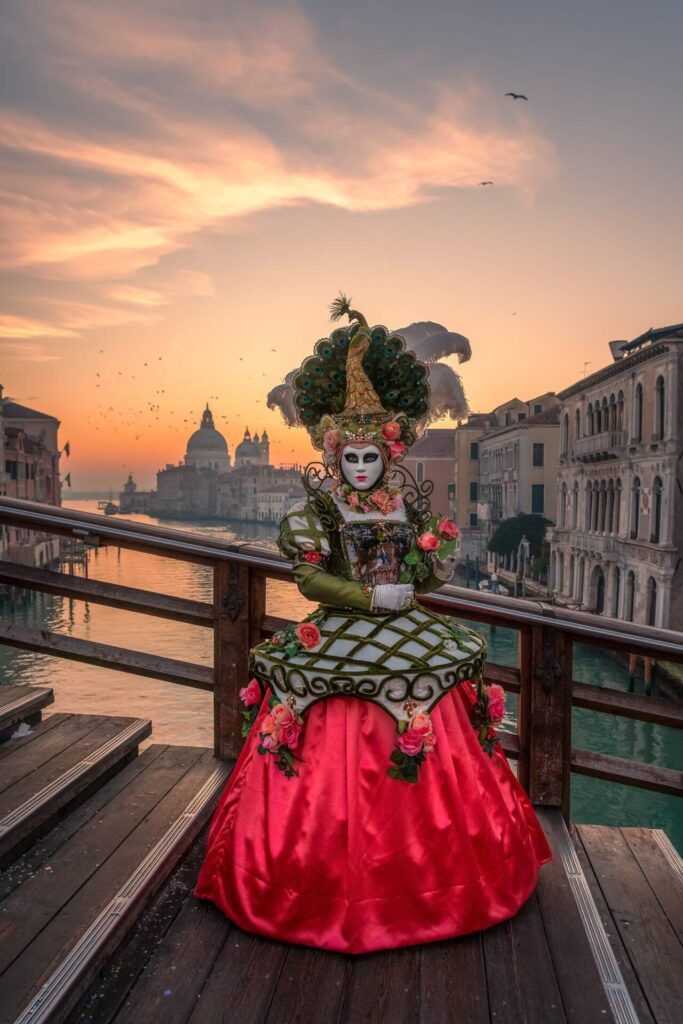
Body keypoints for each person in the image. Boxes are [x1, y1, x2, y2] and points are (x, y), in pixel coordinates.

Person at [194, 297, 553, 953]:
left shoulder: (400, 508)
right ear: (337, 458)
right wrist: (367, 599)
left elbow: (424, 570)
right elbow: (308, 579)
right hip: (343, 629)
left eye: (370, 459)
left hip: (406, 629)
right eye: (351, 460)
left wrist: (430, 565)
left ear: (385, 458)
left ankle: (431, 883)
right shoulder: (319, 512)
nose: (361, 470)